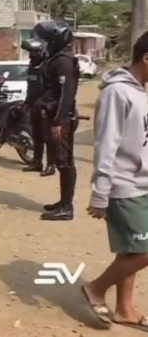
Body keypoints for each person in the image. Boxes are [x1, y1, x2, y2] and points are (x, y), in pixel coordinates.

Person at [81, 33, 148, 330]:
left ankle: (124, 309)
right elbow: (106, 144)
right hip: (124, 185)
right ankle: (95, 288)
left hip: (143, 183)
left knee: (131, 249)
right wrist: (101, 192)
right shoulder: (117, 92)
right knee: (144, 251)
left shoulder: (142, 92)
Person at [35, 21, 79, 221]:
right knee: (61, 161)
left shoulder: (63, 61)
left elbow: (66, 94)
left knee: (65, 161)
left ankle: (67, 207)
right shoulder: (55, 58)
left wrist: (59, 121)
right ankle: (63, 201)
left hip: (61, 118)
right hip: (53, 115)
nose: (44, 43)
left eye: (46, 39)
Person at [21, 41, 55, 177]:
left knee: (47, 137)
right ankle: (37, 162)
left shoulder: (47, 68)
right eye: (30, 53)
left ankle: (51, 165)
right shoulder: (32, 67)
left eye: (34, 52)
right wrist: (27, 102)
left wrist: (42, 101)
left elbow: (51, 89)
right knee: (36, 136)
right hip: (34, 105)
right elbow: (31, 87)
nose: (31, 55)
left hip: (45, 107)